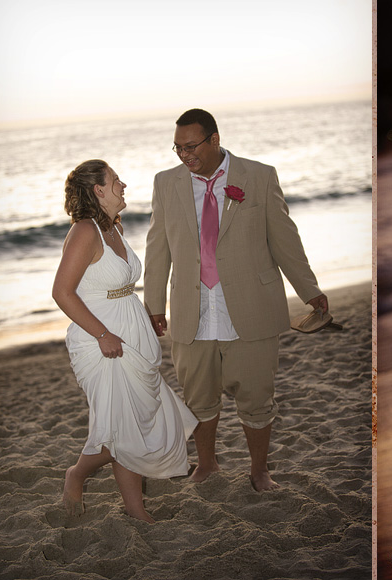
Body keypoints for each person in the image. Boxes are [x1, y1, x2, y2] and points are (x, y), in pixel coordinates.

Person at [144, 109, 328, 492]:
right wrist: (155, 304)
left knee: (257, 396)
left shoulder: (259, 176)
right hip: (191, 310)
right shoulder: (166, 183)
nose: (184, 155)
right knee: (197, 397)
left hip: (251, 305)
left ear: (215, 139)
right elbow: (157, 246)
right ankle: (207, 465)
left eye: (191, 146)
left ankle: (259, 471)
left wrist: (308, 289)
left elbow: (284, 239)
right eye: (177, 148)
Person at [53, 160, 198, 523]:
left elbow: (116, 285)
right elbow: (62, 292)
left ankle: (129, 505)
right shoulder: (85, 230)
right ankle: (80, 476)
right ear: (98, 190)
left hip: (129, 331)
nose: (123, 185)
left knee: (135, 421)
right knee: (122, 426)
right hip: (100, 339)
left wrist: (146, 317)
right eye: (116, 181)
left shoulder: (113, 227)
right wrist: (102, 334)